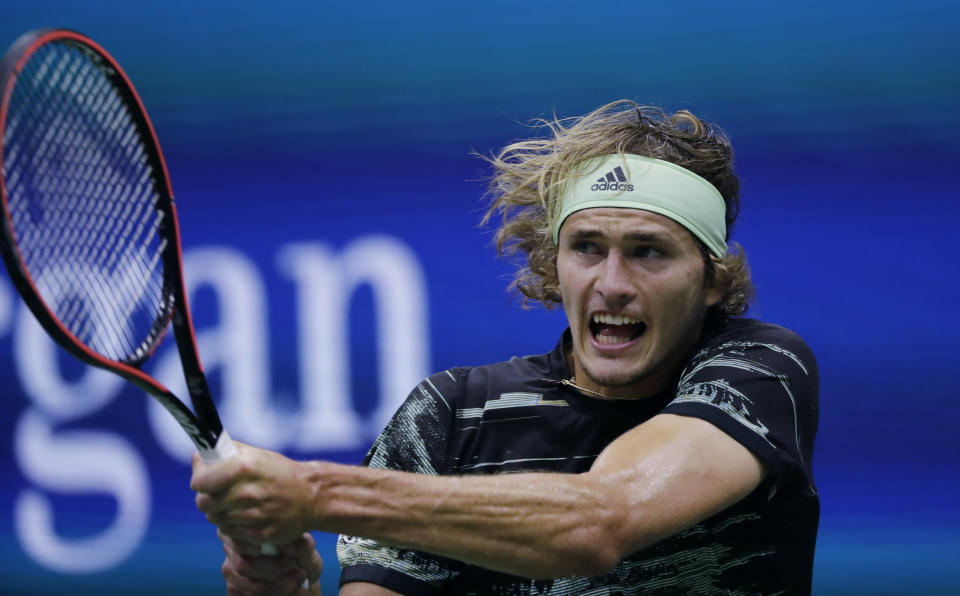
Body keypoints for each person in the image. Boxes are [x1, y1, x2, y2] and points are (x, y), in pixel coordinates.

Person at [191, 99, 819, 595]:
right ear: (556, 261)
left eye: (648, 251)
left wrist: (314, 494)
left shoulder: (759, 371)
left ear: (710, 280)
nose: (613, 284)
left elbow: (600, 522)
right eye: (587, 247)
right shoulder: (449, 415)